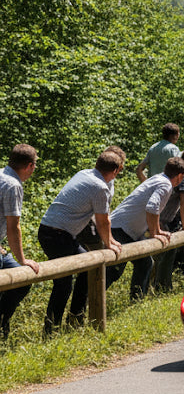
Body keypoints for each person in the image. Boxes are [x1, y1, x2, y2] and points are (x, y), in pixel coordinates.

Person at [38, 151, 123, 333]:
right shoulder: (100, 187)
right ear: (115, 170)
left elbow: (102, 221)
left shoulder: (84, 173)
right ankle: (53, 329)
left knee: (85, 270)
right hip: (57, 235)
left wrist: (111, 241)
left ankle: (73, 319)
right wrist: (110, 244)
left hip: (50, 231)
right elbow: (102, 221)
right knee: (64, 283)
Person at [108, 156, 184, 300]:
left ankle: (137, 300)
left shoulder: (158, 178)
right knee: (113, 271)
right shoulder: (166, 185)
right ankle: (88, 300)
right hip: (120, 228)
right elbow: (152, 207)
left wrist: (157, 230)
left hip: (124, 227)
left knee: (145, 263)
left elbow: (152, 208)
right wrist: (154, 232)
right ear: (180, 176)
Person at [0, 145, 40, 338]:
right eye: (35, 166)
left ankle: (2, 323)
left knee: (22, 281)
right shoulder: (13, 185)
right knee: (22, 276)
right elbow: (13, 226)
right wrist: (23, 260)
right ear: (30, 166)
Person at [151, 148, 184, 293]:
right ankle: (162, 288)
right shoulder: (183, 176)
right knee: (167, 253)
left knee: (158, 255)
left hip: (159, 217)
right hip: (164, 219)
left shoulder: (172, 173)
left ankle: (154, 285)